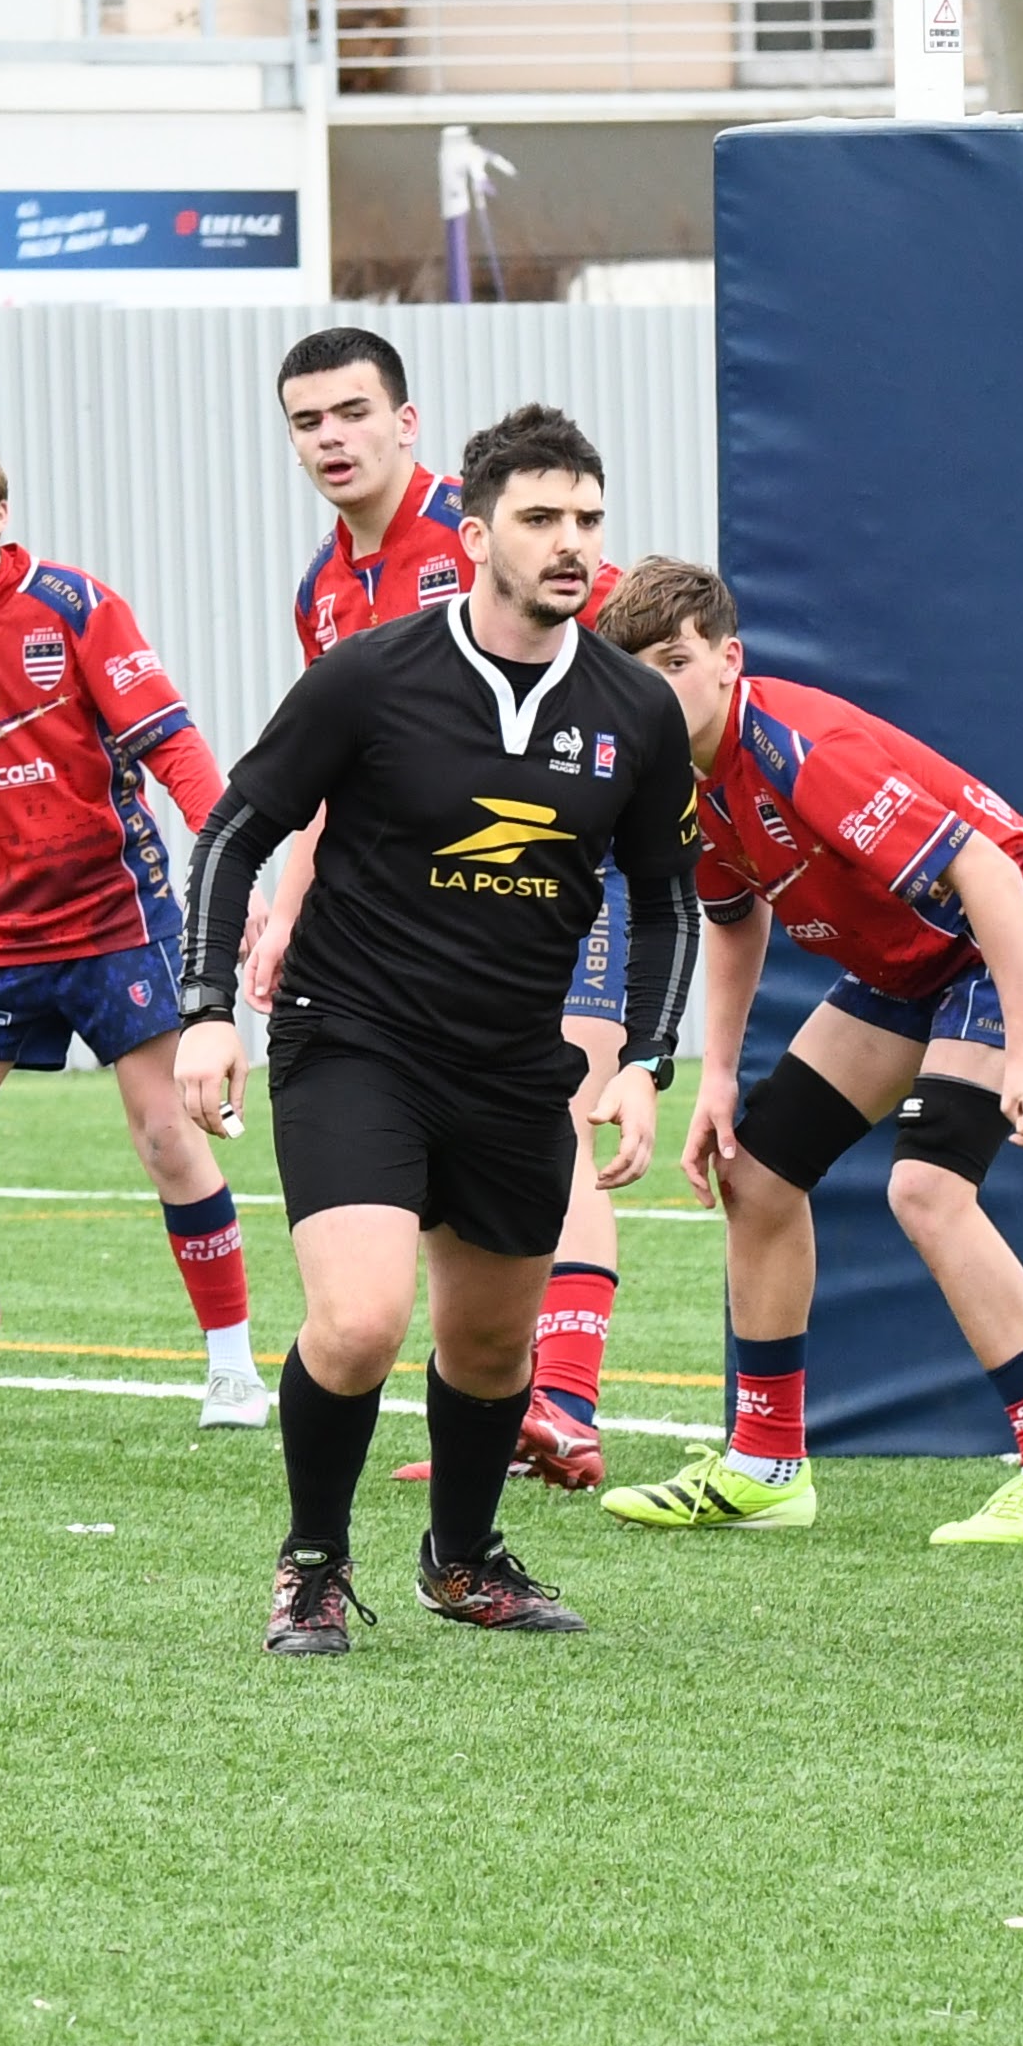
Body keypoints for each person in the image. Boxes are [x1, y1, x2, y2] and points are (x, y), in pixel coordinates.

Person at [172, 404, 699, 1656]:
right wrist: (203, 1010)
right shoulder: (369, 673)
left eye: (586, 518)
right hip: (352, 1036)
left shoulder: (636, 707)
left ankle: (461, 1562)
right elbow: (235, 833)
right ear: (475, 535)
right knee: (358, 1322)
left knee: (488, 1341)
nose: (571, 543)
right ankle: (311, 1563)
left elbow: (670, 897)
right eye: (541, 519)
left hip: (518, 1061)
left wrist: (644, 1060)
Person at [580, 560, 1023, 1538]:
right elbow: (733, 922)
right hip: (908, 964)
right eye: (633, 671)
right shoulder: (673, 785)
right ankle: (768, 1465)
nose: (655, 687)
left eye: (676, 661)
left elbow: (986, 870)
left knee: (925, 1189)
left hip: (1018, 929)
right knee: (758, 1174)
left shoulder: (797, 747)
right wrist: (719, 1078)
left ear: (727, 660)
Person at [261, 326, 631, 1491]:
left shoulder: (502, 529)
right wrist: (283, 912)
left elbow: (629, 676)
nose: (333, 438)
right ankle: (491, 1394)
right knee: (424, 1172)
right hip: (413, 922)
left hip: (569, 879)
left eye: (353, 413)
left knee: (555, 1123)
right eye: (308, 421)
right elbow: (334, 780)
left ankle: (558, 1401)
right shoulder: (327, 586)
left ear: (405, 422)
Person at [0, 422, 260, 1429]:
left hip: (119, 917)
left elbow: (171, 742)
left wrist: (229, 861)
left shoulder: (73, 606)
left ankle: (234, 1365)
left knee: (168, 1133)